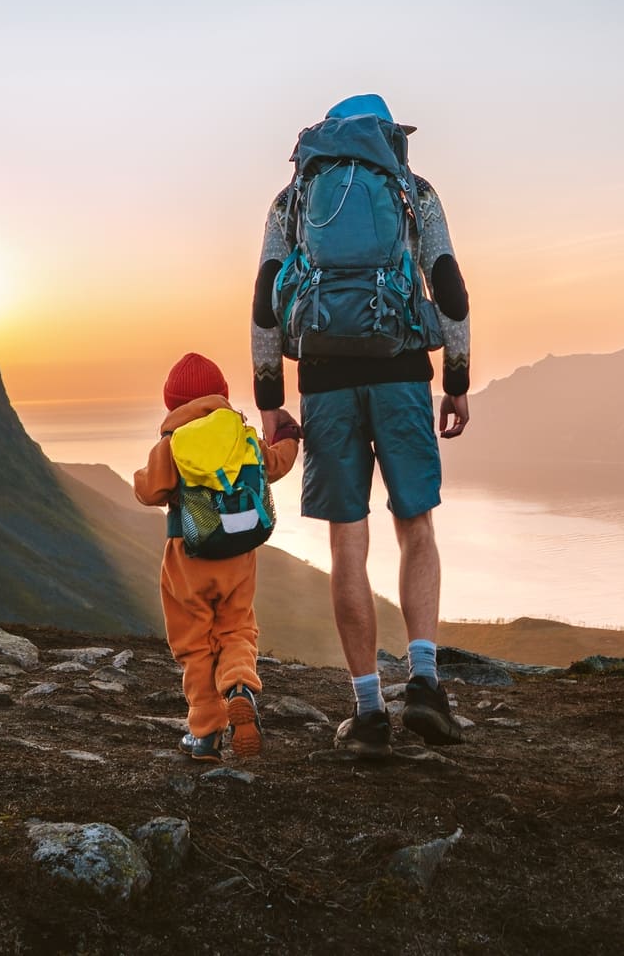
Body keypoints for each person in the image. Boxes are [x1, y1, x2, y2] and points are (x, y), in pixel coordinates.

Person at [250, 94, 472, 756]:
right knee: (416, 527)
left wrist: (270, 398)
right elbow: (449, 285)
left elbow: (265, 299)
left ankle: (370, 711)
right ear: (388, 137)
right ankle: (426, 685)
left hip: (324, 380)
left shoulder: (293, 198)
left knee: (349, 546)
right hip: (403, 370)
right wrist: (455, 380)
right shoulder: (412, 189)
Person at [133, 352, 301, 761]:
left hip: (188, 556)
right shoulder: (240, 433)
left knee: (194, 644)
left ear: (172, 403)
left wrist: (152, 478)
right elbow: (275, 464)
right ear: (222, 395)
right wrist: (291, 436)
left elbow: (149, 491)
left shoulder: (173, 443)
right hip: (239, 556)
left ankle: (206, 734)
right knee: (237, 629)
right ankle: (240, 686)